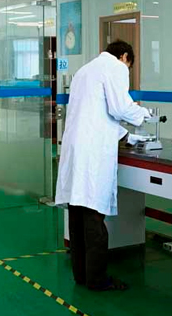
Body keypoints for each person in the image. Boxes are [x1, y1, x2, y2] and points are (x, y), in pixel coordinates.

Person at [55, 40, 151, 291]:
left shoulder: (84, 71)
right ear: (124, 56)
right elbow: (119, 108)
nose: (127, 70)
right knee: (94, 217)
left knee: (77, 216)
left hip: (76, 147)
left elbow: (95, 114)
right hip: (92, 153)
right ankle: (97, 279)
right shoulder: (115, 68)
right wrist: (144, 114)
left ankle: (81, 275)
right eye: (129, 65)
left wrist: (126, 135)